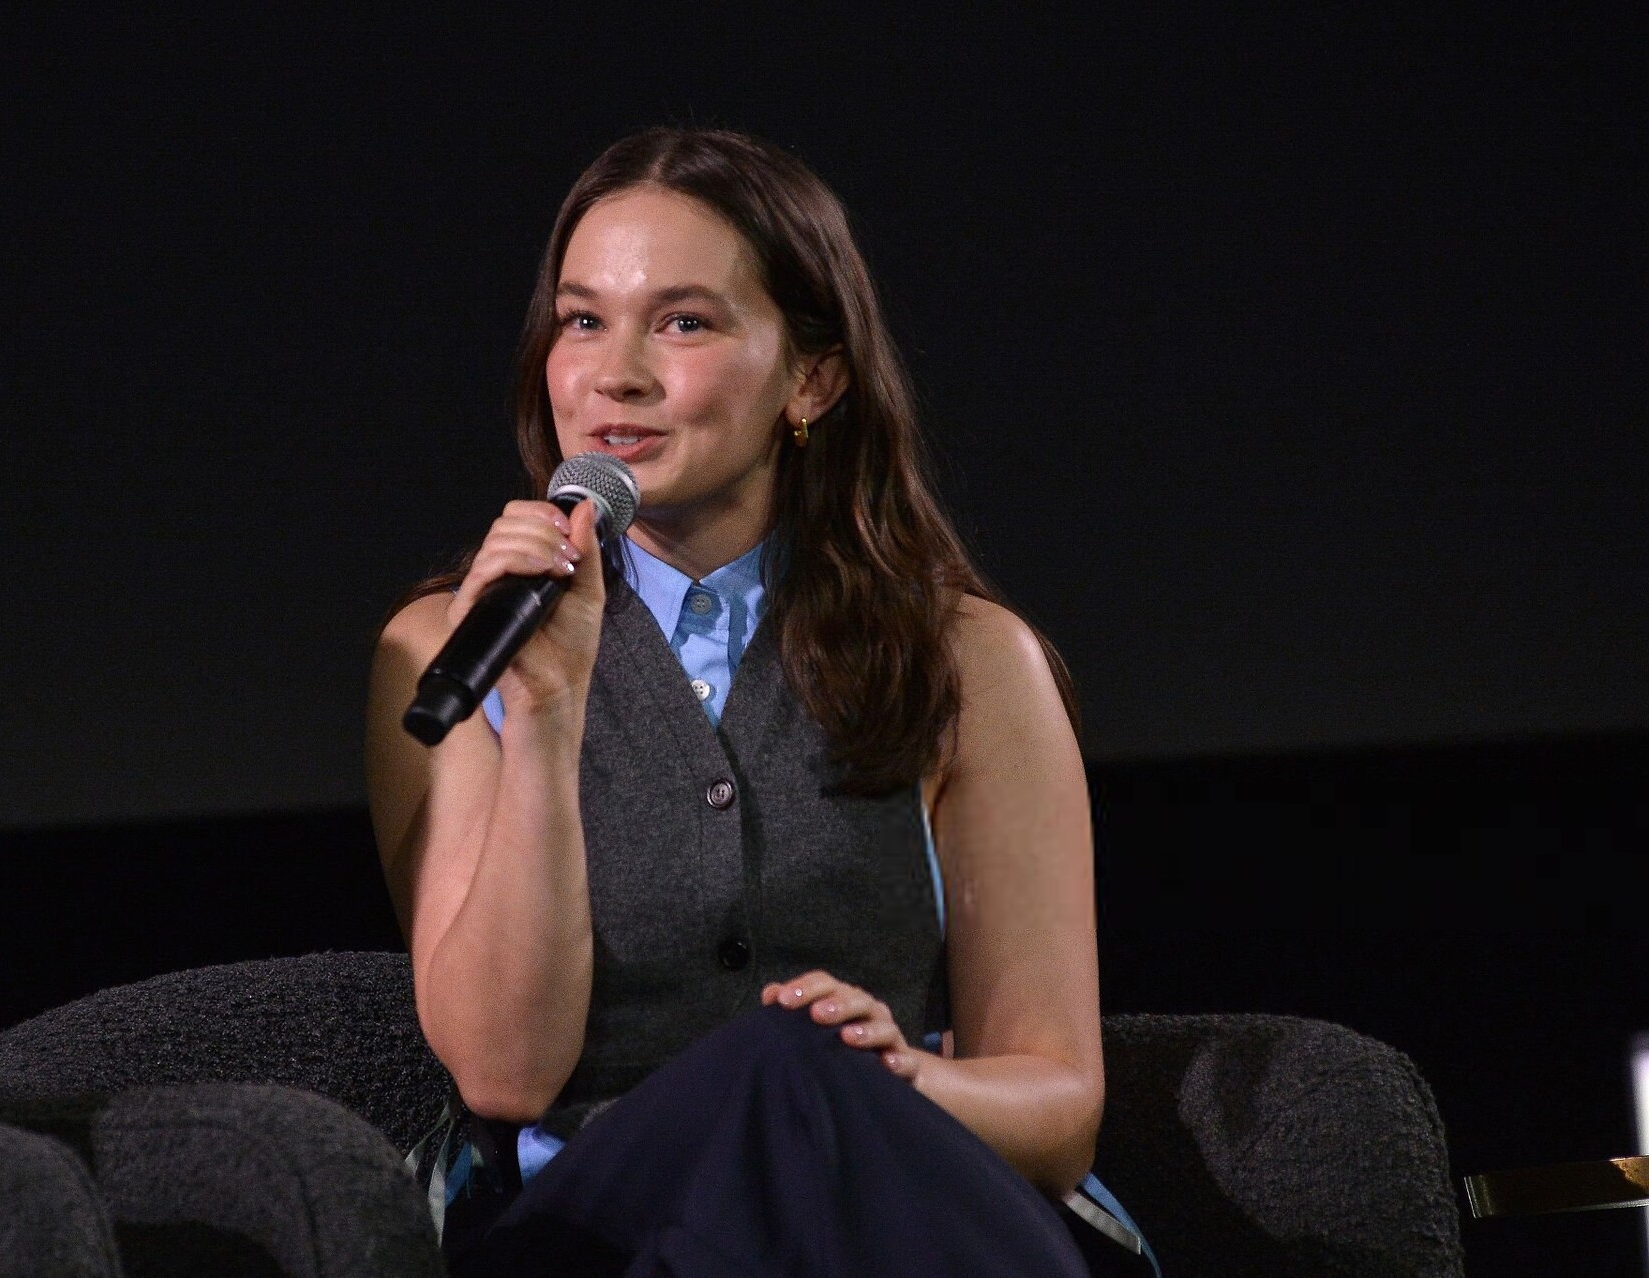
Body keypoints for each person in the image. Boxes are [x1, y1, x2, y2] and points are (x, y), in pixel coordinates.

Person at [367, 127, 1153, 1276]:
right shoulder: (448, 648)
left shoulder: (970, 661)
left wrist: (888, 1081)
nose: (615, 374)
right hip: (602, 1231)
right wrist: (544, 712)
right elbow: (504, 1074)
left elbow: (1058, 1106)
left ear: (812, 380)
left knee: (797, 1075)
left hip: (882, 1202)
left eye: (683, 323)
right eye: (582, 321)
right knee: (777, 1069)